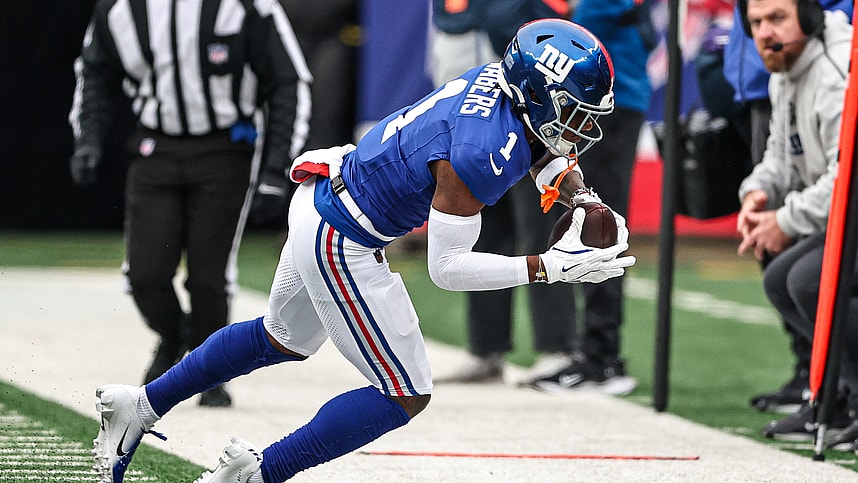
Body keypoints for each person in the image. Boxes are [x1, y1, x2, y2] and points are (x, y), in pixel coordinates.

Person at [89, 18, 635, 483]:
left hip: (327, 196)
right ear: (537, 95)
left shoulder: (504, 90)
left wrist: (582, 198)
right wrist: (550, 268)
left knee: (280, 338)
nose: (585, 126)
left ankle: (138, 404)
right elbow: (446, 268)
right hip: (343, 235)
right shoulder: (477, 152)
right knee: (405, 393)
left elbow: (544, 145)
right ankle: (261, 472)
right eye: (575, 109)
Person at [69, 0, 312, 407]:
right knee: (144, 275)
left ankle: (210, 372)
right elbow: (94, 71)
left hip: (225, 149)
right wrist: (88, 138)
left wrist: (276, 170)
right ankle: (175, 336)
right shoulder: (120, 8)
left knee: (208, 276)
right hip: (155, 146)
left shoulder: (248, 6)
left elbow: (290, 80)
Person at [430, 0, 582, 385]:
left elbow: (555, 14)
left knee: (541, 220)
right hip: (469, 97)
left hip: (525, 98)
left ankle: (557, 347)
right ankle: (486, 348)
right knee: (480, 229)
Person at [733, 0, 854, 441]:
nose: (765, 32)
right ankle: (838, 400)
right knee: (781, 279)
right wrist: (757, 193)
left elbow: (849, 173)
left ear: (809, 17)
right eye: (756, 22)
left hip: (852, 208)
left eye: (777, 18)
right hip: (841, 215)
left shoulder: (838, 71)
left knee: (806, 279)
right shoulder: (786, 71)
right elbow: (779, 159)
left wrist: (786, 219)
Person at [525, 0, 654, 394]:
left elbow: (587, 26)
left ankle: (602, 356)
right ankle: (596, 352)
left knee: (599, 223)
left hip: (608, 101)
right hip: (594, 99)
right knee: (590, 219)